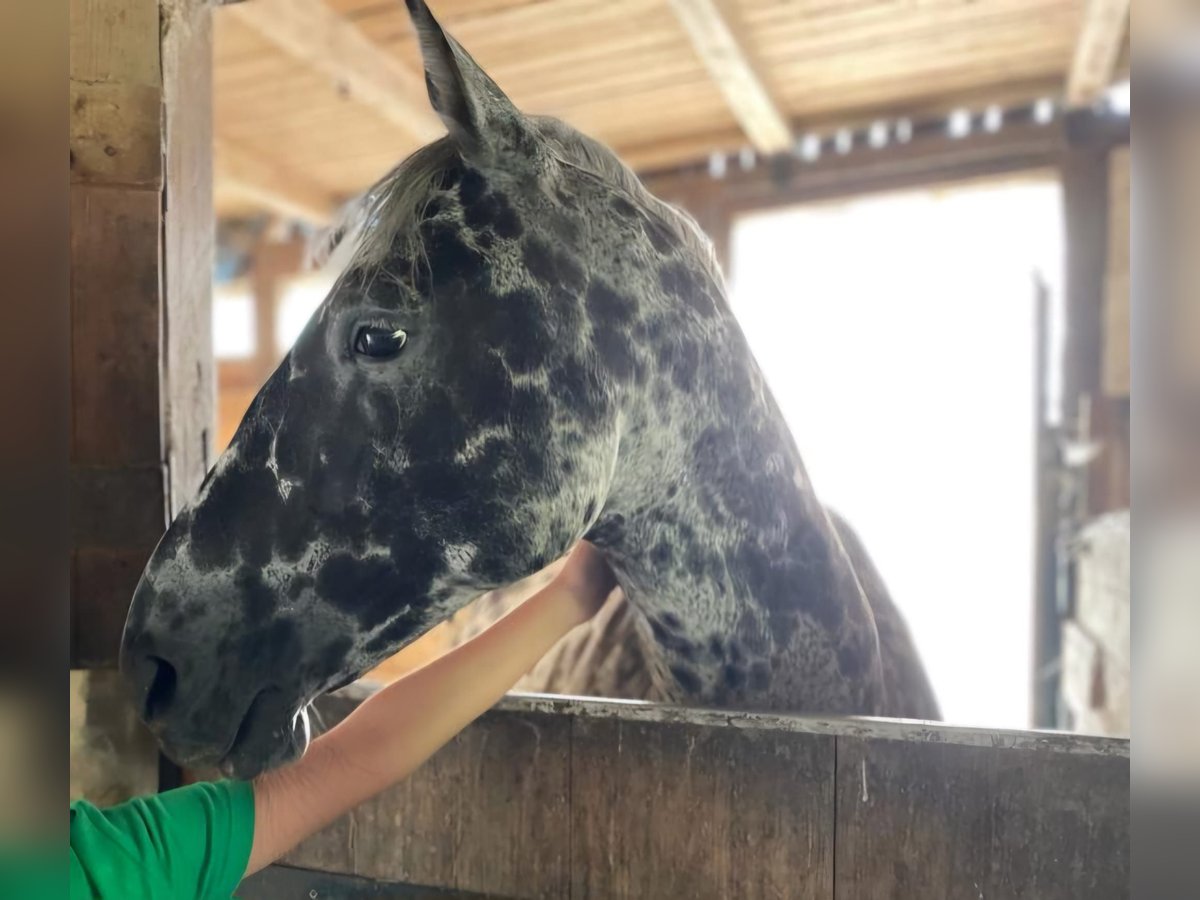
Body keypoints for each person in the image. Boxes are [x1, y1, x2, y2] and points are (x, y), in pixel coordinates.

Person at [70, 540, 616, 899]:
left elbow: (357, 756)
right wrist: (571, 598)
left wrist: (570, 596)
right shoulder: (105, 867)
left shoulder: (103, 864)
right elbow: (356, 759)